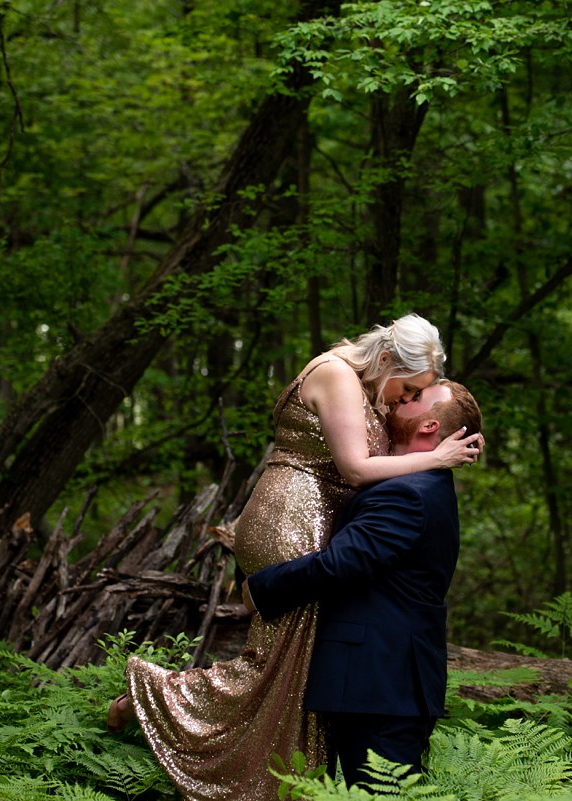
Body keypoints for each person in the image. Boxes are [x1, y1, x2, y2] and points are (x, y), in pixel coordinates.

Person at [105, 315, 481, 801]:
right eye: (408, 389)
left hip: (317, 520)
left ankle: (265, 779)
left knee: (291, 669)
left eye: (415, 396)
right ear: (388, 361)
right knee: (273, 661)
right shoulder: (339, 375)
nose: (404, 400)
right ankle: (155, 701)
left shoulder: (369, 384)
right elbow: (354, 466)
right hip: (293, 518)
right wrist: (437, 457)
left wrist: (443, 443)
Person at [242, 379, 481, 788]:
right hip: (381, 683)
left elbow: (339, 565)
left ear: (427, 428)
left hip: (380, 683)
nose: (402, 399)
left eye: (415, 398)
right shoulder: (418, 485)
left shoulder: (409, 493)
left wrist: (260, 588)